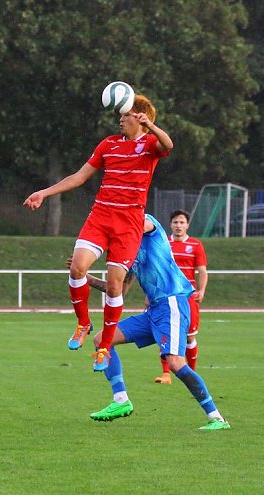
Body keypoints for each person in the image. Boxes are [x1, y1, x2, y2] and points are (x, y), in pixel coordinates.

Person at [23, 94, 173, 372]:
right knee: (77, 268)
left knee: (116, 285)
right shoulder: (109, 144)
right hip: (101, 217)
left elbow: (169, 144)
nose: (120, 119)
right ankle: (83, 322)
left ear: (139, 117)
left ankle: (105, 345)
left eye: (125, 115)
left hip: (128, 224)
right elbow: (79, 177)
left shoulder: (151, 144)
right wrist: (44, 192)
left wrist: (150, 125)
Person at [80, 214, 230, 431]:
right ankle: (121, 401)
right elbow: (119, 290)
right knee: (102, 339)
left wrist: (106, 232)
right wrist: (83, 276)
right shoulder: (129, 254)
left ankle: (216, 418)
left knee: (176, 363)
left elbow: (136, 224)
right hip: (153, 311)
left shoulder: (148, 223)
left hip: (171, 304)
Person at [154, 209, 207, 384]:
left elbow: (202, 271)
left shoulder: (196, 245)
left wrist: (202, 290)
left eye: (182, 222)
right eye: (176, 222)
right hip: (164, 296)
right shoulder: (162, 243)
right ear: (171, 224)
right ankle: (166, 374)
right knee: (164, 334)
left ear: (187, 225)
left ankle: (191, 373)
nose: (178, 225)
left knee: (190, 336)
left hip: (188, 297)